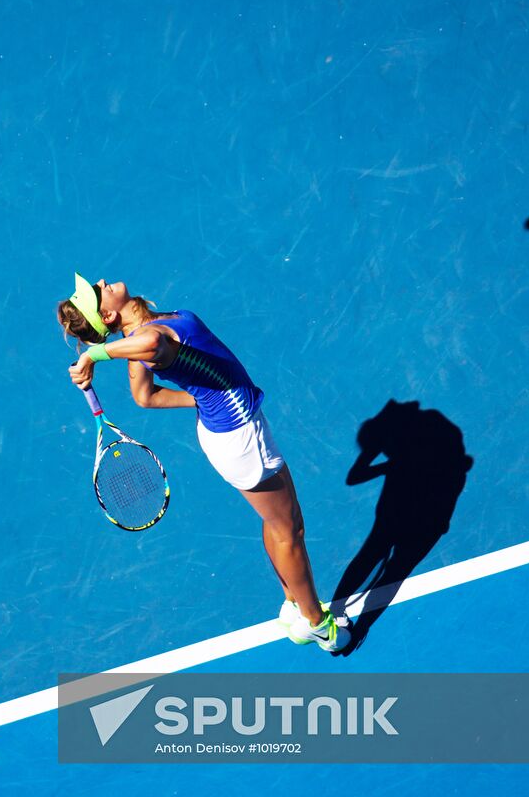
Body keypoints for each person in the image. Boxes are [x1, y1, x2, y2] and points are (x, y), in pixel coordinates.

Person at [58, 273, 351, 653]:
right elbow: (150, 344)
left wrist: (199, 399)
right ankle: (317, 625)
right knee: (288, 529)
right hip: (241, 435)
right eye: (97, 293)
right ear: (109, 317)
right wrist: (92, 354)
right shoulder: (147, 341)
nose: (101, 282)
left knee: (277, 521)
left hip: (224, 428)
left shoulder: (145, 329)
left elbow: (143, 396)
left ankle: (294, 604)